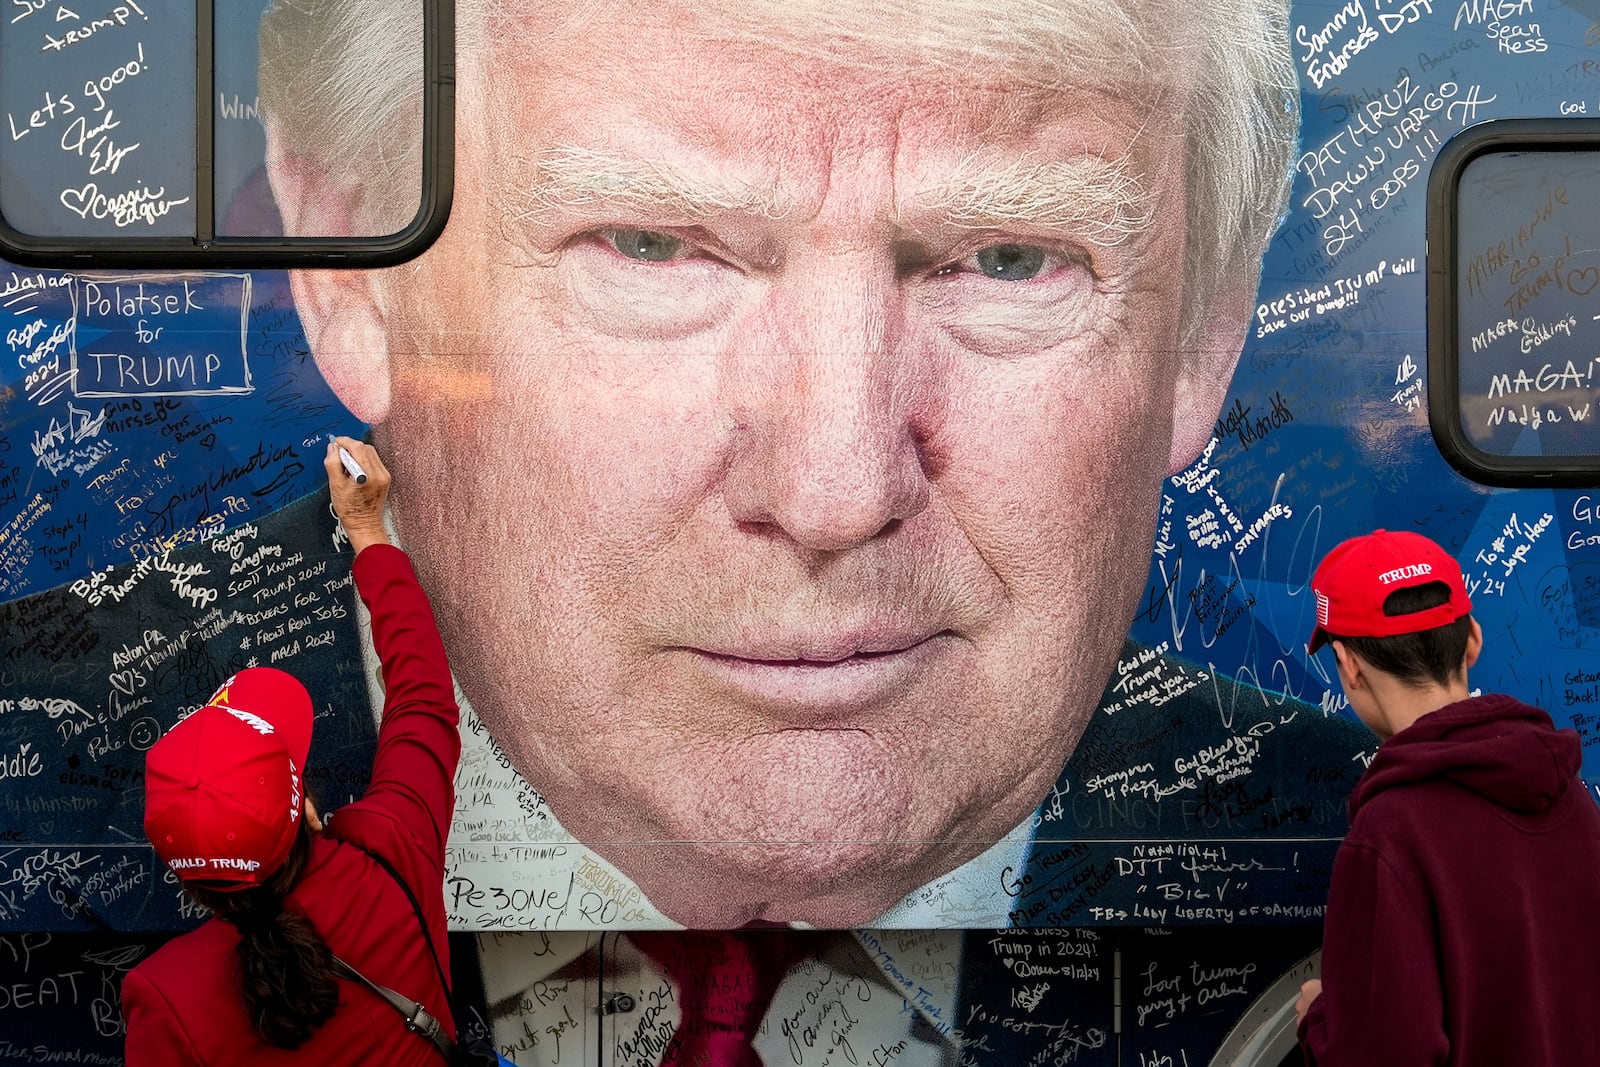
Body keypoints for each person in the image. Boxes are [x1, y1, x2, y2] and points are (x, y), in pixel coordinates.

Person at [258, 0, 1301, 928]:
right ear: (352, 277)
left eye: (1009, 261)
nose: (834, 494)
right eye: (650, 245)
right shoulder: (92, 778)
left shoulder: (1359, 859)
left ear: (1203, 333)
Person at [121, 439, 465, 1066]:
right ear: (304, 809)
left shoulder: (167, 999)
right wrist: (366, 528)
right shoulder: (390, 859)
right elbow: (424, 701)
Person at [1293, 529, 1600, 1065]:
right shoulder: (1570, 796)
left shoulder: (1388, 834)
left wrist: (1320, 1018)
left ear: (1350, 666)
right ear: (1474, 639)